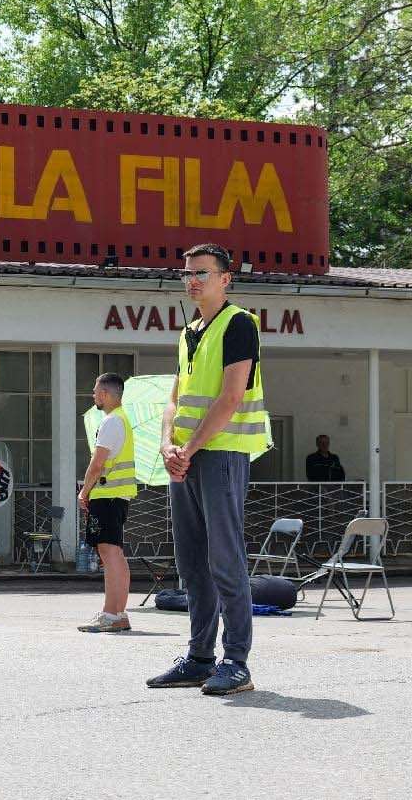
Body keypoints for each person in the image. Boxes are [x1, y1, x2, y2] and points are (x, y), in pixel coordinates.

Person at [148, 243, 267, 697]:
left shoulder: (239, 324)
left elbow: (231, 397)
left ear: (225, 278)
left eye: (202, 272)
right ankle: (200, 658)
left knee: (225, 559)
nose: (192, 280)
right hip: (186, 458)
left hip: (219, 454)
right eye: (187, 273)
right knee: (191, 561)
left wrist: (190, 449)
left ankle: (236, 662)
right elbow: (174, 397)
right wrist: (167, 445)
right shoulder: (189, 330)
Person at [77, 373, 136, 633]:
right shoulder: (121, 419)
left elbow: (97, 463)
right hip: (117, 495)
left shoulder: (112, 422)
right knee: (115, 554)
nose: (93, 395)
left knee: (109, 554)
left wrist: (84, 491)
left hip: (106, 494)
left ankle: (111, 615)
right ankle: (118, 614)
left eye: (94, 391)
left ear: (104, 394)